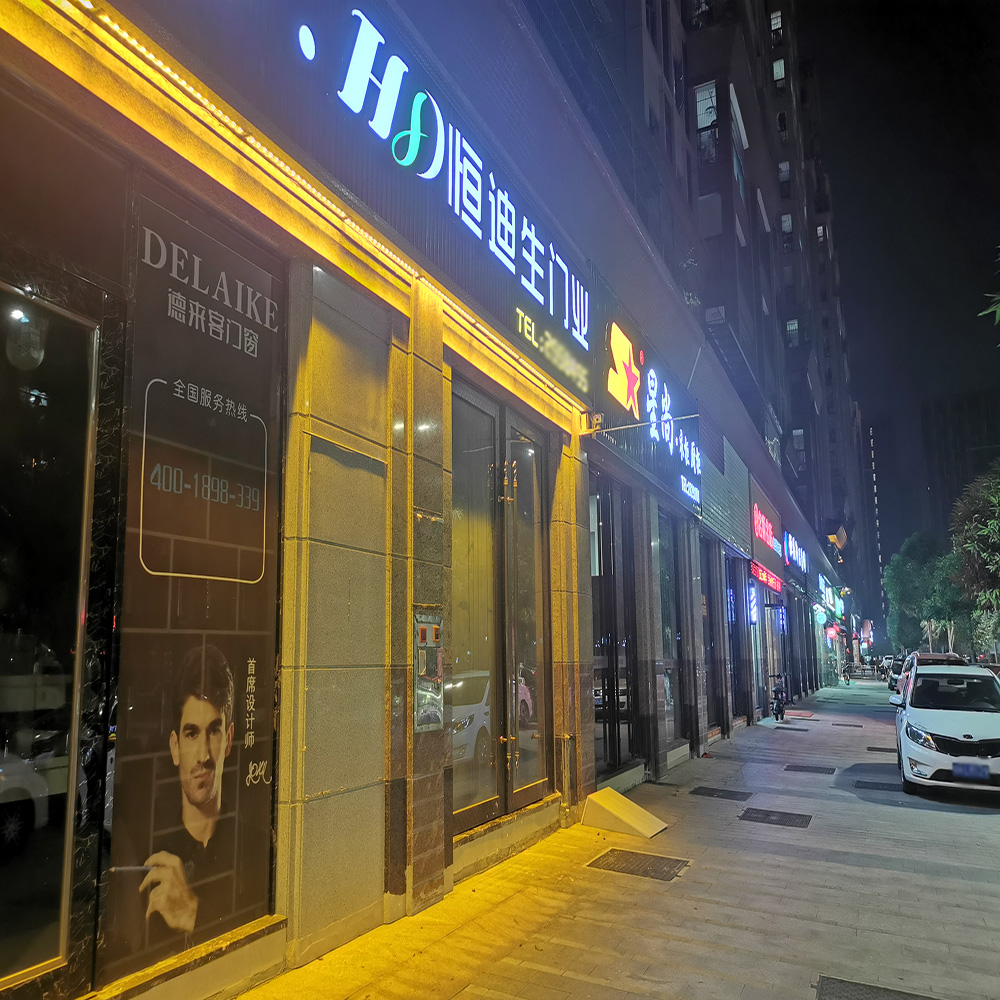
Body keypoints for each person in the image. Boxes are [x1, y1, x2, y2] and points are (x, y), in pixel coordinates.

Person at [138, 645, 234, 934]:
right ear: (175, 746)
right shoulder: (150, 857)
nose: (203, 755)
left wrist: (192, 912)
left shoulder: (254, 846)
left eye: (214, 731)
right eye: (191, 734)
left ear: (228, 741)